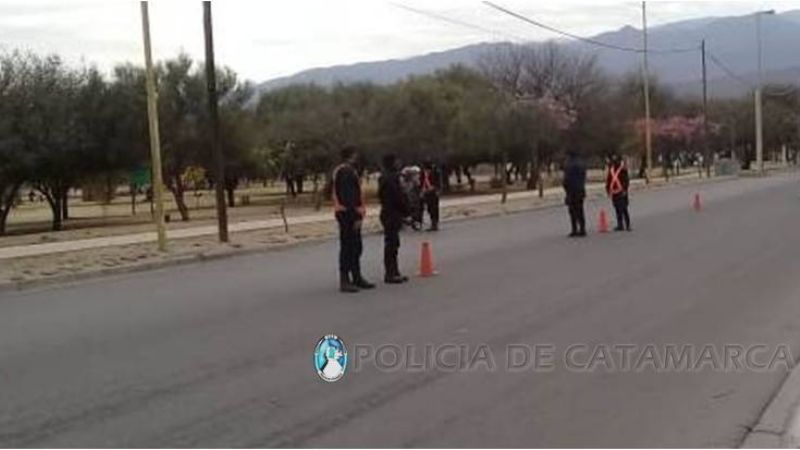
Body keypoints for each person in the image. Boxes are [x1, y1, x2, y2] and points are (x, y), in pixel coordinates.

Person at [332, 146, 375, 293]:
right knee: (348, 247)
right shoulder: (345, 171)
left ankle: (356, 276)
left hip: (349, 212)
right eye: (356, 154)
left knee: (356, 247)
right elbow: (348, 196)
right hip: (347, 214)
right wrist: (356, 216)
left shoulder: (348, 170)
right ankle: (345, 280)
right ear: (352, 155)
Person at [378, 153, 411, 283]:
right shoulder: (391, 178)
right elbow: (397, 197)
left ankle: (394, 271)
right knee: (391, 244)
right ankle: (390, 273)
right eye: (397, 161)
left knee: (393, 243)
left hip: (389, 212)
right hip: (391, 213)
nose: (399, 163)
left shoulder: (386, 177)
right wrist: (406, 211)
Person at [563, 150, 587, 238]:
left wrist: (566, 189)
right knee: (580, 210)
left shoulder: (569, 165)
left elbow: (566, 179)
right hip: (580, 190)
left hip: (571, 191)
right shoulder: (582, 164)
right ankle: (582, 228)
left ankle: (574, 229)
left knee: (572, 211)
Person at [606, 153, 631, 231]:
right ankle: (620, 225)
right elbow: (609, 180)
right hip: (614, 192)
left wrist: (625, 189)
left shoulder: (623, 169)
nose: (615, 161)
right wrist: (608, 189)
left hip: (621, 192)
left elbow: (626, 180)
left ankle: (627, 224)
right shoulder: (611, 169)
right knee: (617, 208)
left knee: (623, 208)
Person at [420, 160, 441, 231]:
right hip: (426, 192)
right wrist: (422, 190)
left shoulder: (435, 172)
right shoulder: (422, 173)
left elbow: (438, 182)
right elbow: (422, 182)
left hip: (433, 192)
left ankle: (435, 223)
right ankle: (432, 222)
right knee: (429, 208)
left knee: (434, 208)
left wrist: (436, 189)